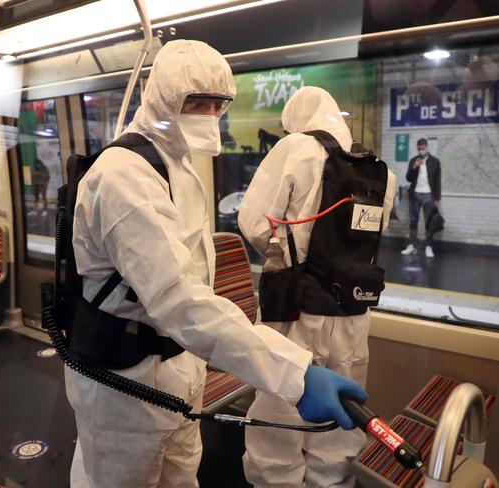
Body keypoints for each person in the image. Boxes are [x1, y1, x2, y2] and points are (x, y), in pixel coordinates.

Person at [64, 42, 367, 488]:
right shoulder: (123, 176)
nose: (208, 114)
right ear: (163, 98)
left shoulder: (180, 168)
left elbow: (191, 290)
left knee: (183, 476)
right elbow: (180, 301)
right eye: (195, 102)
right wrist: (295, 375)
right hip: (124, 381)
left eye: (217, 104)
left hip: (179, 372)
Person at [238, 86, 396, 488]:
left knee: (279, 415)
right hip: (353, 312)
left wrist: (281, 254)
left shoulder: (296, 148)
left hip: (295, 307)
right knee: (341, 416)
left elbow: (254, 222)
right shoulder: (379, 170)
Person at [401, 138, 441, 258]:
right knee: (413, 221)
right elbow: (408, 178)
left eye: (423, 148)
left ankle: (429, 246)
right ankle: (412, 245)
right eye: (419, 149)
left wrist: (437, 198)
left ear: (426, 147)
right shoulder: (414, 160)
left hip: (428, 195)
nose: (421, 151)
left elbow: (437, 181)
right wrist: (414, 167)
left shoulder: (434, 161)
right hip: (415, 194)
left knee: (428, 221)